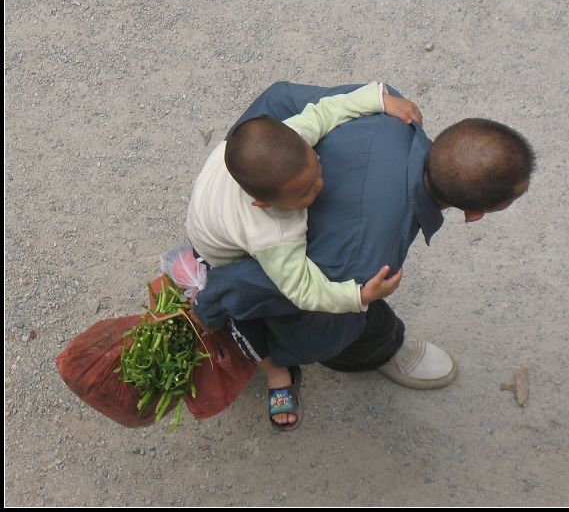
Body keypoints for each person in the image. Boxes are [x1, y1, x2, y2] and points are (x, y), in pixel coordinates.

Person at [192, 81, 536, 429]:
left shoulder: (388, 106)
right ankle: (375, 349)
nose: (321, 184)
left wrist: (251, 159)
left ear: (460, 127)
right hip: (227, 257)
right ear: (474, 214)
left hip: (220, 197)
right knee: (339, 322)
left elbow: (281, 98)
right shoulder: (361, 256)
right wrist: (210, 304)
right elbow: (262, 283)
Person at [185, 82, 422, 430]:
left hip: (212, 209)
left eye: (317, 170)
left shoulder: (293, 137)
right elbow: (302, 288)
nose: (320, 186)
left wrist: (378, 100)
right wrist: (356, 296)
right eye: (305, 193)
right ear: (264, 204)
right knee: (244, 319)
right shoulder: (271, 233)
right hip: (219, 255)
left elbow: (326, 110)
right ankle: (276, 370)